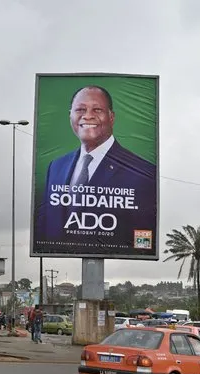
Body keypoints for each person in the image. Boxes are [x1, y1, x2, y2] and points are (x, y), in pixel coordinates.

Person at [35, 85, 157, 255]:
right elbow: (45, 225)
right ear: (70, 115)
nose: (88, 115)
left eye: (97, 109)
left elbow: (143, 238)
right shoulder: (56, 167)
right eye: (80, 109)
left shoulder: (143, 174)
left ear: (111, 117)